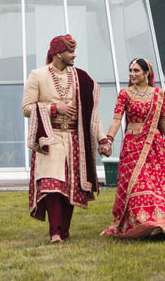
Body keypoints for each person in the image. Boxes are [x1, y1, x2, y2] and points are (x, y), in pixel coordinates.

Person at [100, 58, 165, 239]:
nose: (132, 74)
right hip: (133, 147)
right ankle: (142, 222)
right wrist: (109, 140)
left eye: (136, 71)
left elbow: (163, 122)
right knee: (138, 185)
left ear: (147, 73)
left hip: (155, 146)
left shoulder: (158, 94)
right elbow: (116, 119)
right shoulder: (125, 94)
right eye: (130, 70)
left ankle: (159, 221)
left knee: (155, 186)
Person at [22, 33, 105, 243]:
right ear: (58, 53)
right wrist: (53, 108)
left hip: (74, 140)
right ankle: (55, 232)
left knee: (70, 188)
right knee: (52, 185)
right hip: (49, 139)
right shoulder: (38, 75)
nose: (74, 55)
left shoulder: (81, 78)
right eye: (70, 51)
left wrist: (103, 139)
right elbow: (26, 108)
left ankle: (64, 230)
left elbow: (91, 113)